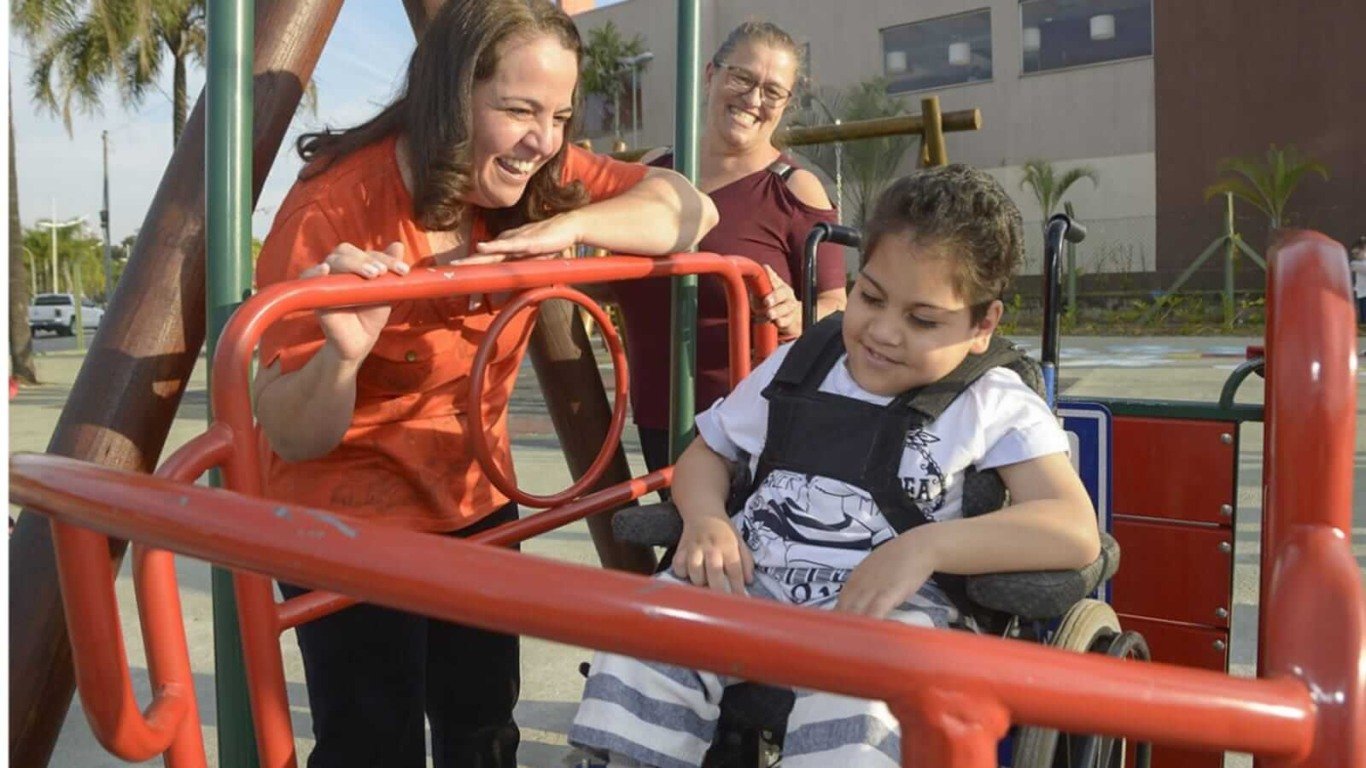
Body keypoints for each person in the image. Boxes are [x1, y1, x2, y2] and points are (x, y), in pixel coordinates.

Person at [251, 1, 718, 765]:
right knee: (373, 744)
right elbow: (294, 434)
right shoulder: (335, 205)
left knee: (482, 728)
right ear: (451, 97)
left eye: (561, 114)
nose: (544, 138)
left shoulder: (541, 176)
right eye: (518, 109)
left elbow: (690, 209)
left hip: (472, 502)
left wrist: (569, 228)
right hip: (343, 519)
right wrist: (341, 358)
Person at [568, 165, 1100, 768]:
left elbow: (1071, 527)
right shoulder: (804, 360)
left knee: (863, 711)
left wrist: (923, 548)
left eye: (922, 320)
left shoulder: (993, 400)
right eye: (870, 297)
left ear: (983, 325)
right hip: (751, 585)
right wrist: (706, 518)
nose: (882, 331)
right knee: (647, 633)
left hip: (879, 613)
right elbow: (707, 453)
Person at [612, 21, 847, 474]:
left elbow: (837, 305)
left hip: (746, 421)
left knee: (717, 539)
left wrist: (795, 311)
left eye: (772, 92)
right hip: (658, 413)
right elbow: (618, 277)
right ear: (710, 74)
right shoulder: (655, 171)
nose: (753, 99)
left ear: (786, 104)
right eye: (742, 78)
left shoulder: (794, 189)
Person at [1348, 236, 1366, 326]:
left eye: (1358, 253)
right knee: (1362, 312)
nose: (1356, 256)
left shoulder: (1358, 264)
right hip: (1361, 292)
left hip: (1364, 292)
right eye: (1354, 254)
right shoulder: (1357, 263)